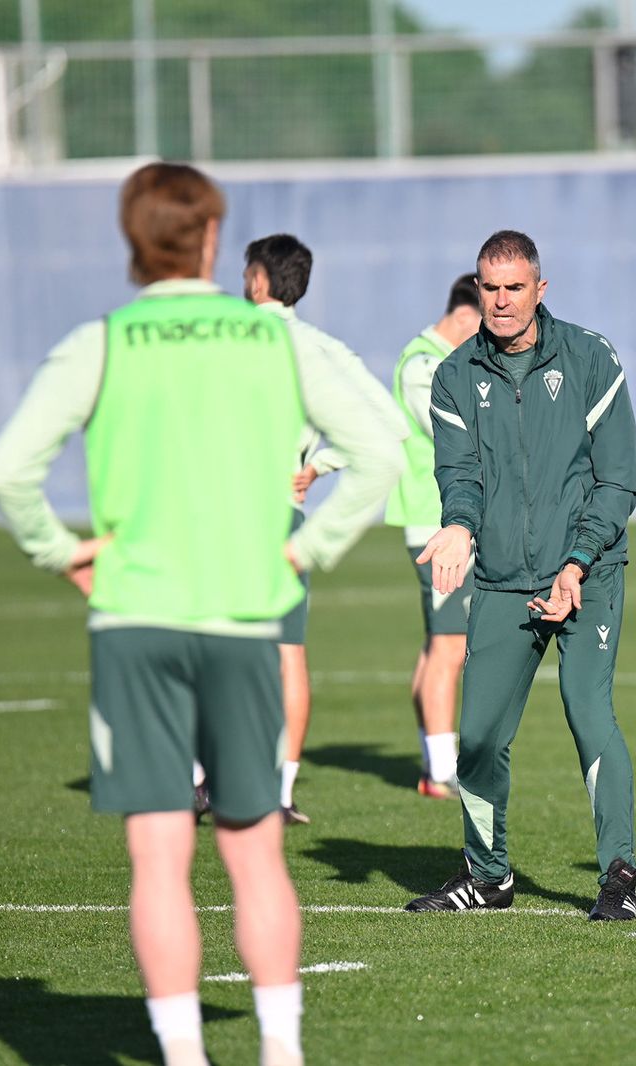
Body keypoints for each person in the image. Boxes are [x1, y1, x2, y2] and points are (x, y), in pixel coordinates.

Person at [0, 162, 402, 1066]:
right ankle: (280, 1051)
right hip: (244, 615)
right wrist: (309, 551)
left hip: (136, 621)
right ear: (213, 239)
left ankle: (183, 1056)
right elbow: (381, 448)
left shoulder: (100, 344)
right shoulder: (274, 340)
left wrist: (60, 551)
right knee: (255, 854)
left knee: (159, 859)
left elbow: (8, 471)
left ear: (132, 240)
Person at [403, 230, 636, 921]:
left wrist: (577, 561)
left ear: (540, 289)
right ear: (476, 290)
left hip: (588, 573)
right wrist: (459, 525)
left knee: (588, 712)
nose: (502, 300)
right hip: (504, 579)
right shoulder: (454, 376)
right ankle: (488, 877)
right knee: (477, 738)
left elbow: (619, 480)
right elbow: (460, 476)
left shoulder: (591, 357)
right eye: (490, 287)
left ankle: (619, 874)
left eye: (515, 287)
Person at [240, 233, 410, 823]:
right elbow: (391, 425)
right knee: (288, 653)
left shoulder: (228, 338)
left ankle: (202, 779)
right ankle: (281, 792)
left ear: (259, 280)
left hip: (226, 511)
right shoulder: (322, 348)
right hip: (286, 515)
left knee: (208, 646)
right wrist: (318, 465)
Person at [384, 273, 483, 798]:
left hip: (439, 522)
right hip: (435, 523)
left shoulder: (436, 360)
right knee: (450, 644)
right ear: (465, 316)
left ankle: (432, 760)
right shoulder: (423, 364)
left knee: (436, 645)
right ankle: (443, 770)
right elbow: (449, 431)